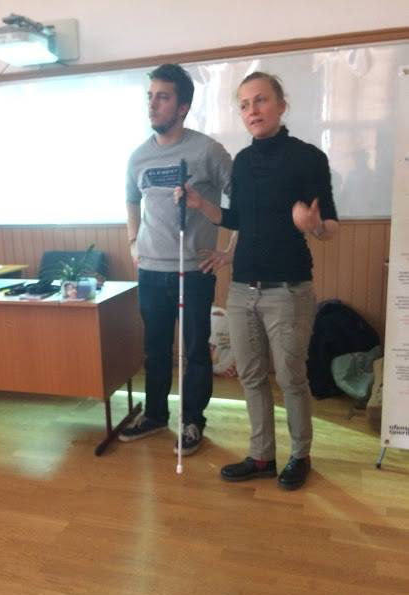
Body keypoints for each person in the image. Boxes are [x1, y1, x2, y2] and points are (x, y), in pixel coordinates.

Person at [177, 71, 339, 488]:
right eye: (245, 105)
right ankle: (262, 455)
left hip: (288, 290)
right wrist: (201, 205)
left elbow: (330, 226)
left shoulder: (308, 157)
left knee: (290, 378)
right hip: (241, 289)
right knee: (250, 376)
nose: (253, 111)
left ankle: (300, 455)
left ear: (281, 105)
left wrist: (313, 224)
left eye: (261, 100)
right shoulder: (244, 163)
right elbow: (239, 219)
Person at [118, 63, 232, 456]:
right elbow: (131, 199)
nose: (152, 105)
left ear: (183, 107)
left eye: (162, 97)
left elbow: (242, 201)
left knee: (196, 351)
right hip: (151, 269)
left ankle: (193, 421)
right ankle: (155, 415)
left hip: (193, 271)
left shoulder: (208, 151)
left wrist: (228, 251)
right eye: (150, 96)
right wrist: (133, 242)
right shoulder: (138, 156)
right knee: (154, 350)